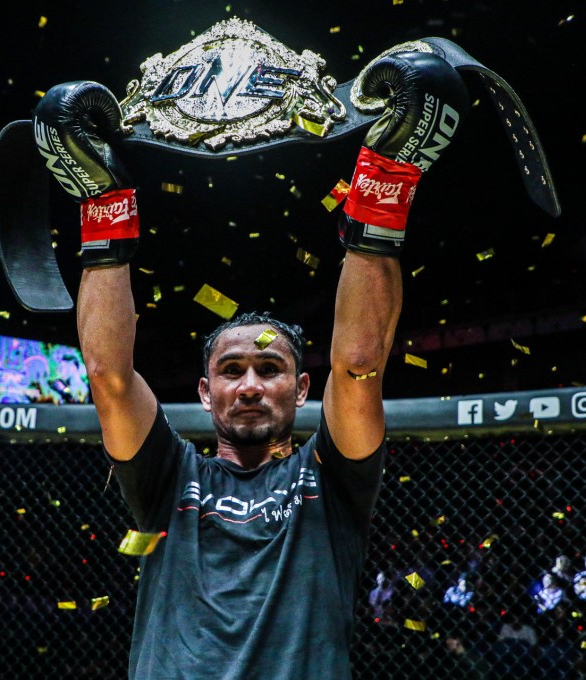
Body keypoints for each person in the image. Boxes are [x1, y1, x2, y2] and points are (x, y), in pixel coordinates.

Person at [32, 43, 469, 678]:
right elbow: (107, 374)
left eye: (270, 370)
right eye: (231, 371)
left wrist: (388, 176)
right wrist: (102, 201)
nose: (251, 385)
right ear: (205, 394)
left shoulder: (332, 476)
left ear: (301, 389)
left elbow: (359, 360)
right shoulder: (167, 478)